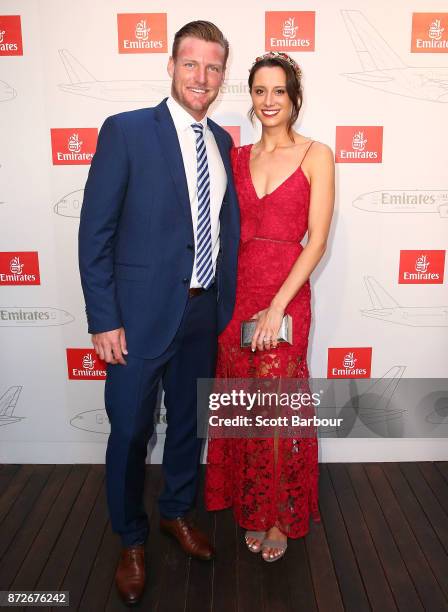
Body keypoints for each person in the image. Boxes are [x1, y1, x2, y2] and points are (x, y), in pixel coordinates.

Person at [78, 21, 239, 605]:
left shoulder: (222, 143)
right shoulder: (125, 132)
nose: (202, 77)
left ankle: (176, 512)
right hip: (135, 320)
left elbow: (224, 231)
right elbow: (95, 232)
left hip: (201, 315)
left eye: (214, 67)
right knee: (129, 433)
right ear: (171, 66)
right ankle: (131, 538)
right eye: (191, 64)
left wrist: (222, 306)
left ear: (223, 76)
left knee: (187, 428)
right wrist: (103, 318)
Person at [205, 51, 334, 562]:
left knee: (278, 411)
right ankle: (251, 506)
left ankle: (279, 514)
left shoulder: (316, 154)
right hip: (235, 295)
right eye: (260, 91)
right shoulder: (236, 158)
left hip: (286, 294)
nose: (269, 100)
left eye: (278, 90)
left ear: (294, 97)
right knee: (244, 408)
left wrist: (279, 305)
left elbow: (317, 241)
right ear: (251, 98)